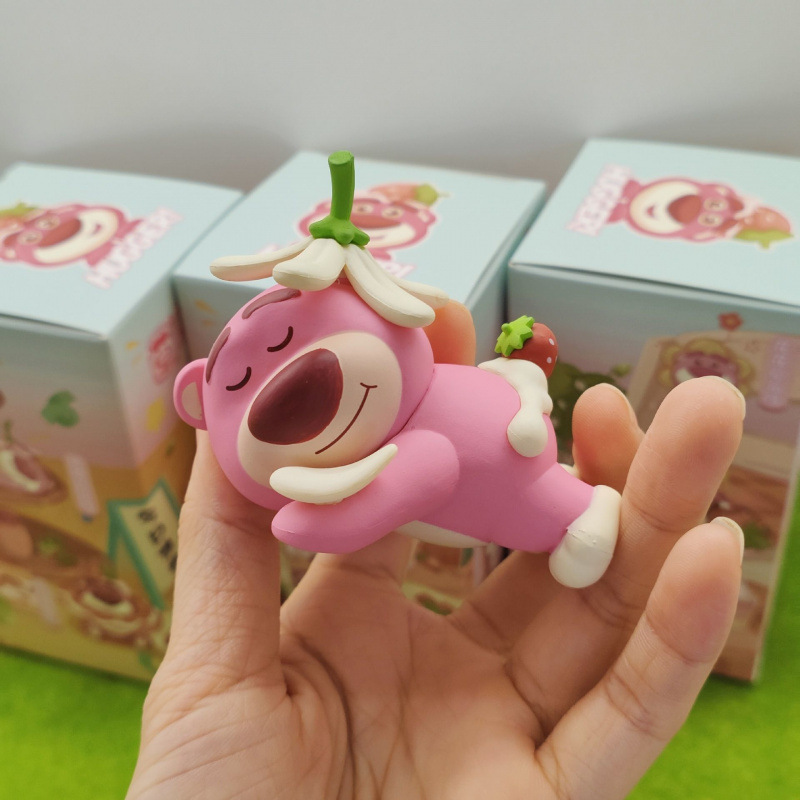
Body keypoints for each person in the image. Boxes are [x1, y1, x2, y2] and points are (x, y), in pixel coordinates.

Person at [127, 302, 745, 800]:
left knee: (553, 511)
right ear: (199, 401)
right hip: (502, 455)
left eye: (291, 339)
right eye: (237, 384)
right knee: (545, 510)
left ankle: (578, 515)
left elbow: (426, 469)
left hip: (510, 457)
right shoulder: (394, 428)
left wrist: (329, 518)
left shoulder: (411, 432)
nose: (286, 386)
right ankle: (575, 514)